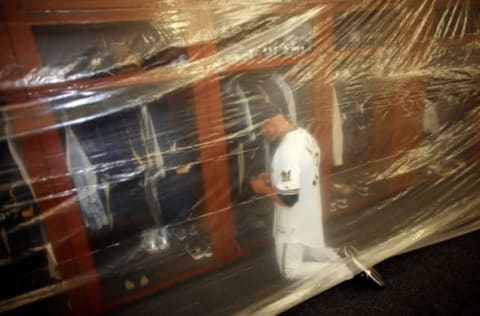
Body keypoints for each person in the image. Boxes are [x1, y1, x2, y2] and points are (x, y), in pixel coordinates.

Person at [248, 83, 384, 286]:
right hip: (308, 211)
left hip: (292, 221)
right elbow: (301, 172)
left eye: (261, 128)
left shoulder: (286, 151)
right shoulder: (304, 136)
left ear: (269, 123)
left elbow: (287, 199)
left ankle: (347, 271)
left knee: (290, 269)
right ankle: (340, 255)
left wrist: (262, 189)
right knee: (308, 246)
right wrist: (274, 176)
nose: (262, 133)